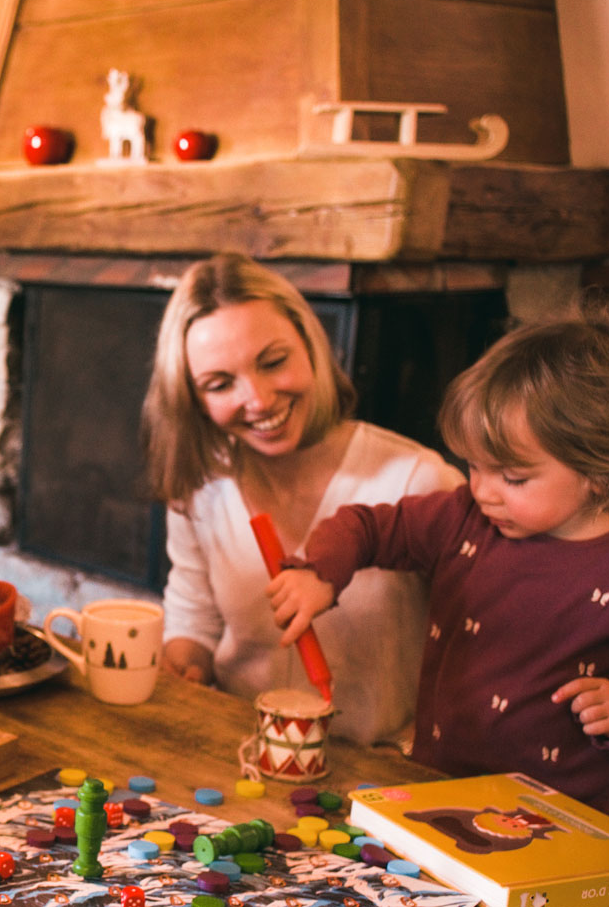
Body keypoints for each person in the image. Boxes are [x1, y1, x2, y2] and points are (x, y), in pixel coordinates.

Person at [267, 318, 609, 822]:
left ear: (601, 471)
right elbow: (366, 527)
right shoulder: (462, 518)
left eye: (514, 477)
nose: (483, 490)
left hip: (560, 822)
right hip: (433, 794)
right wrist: (319, 572)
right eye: (474, 466)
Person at [142, 253, 463, 748]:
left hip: (377, 769)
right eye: (220, 383)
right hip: (240, 746)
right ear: (194, 399)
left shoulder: (418, 480)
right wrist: (182, 661)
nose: (259, 400)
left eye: (273, 362)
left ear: (310, 345)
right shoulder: (200, 488)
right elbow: (194, 620)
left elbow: (476, 652)